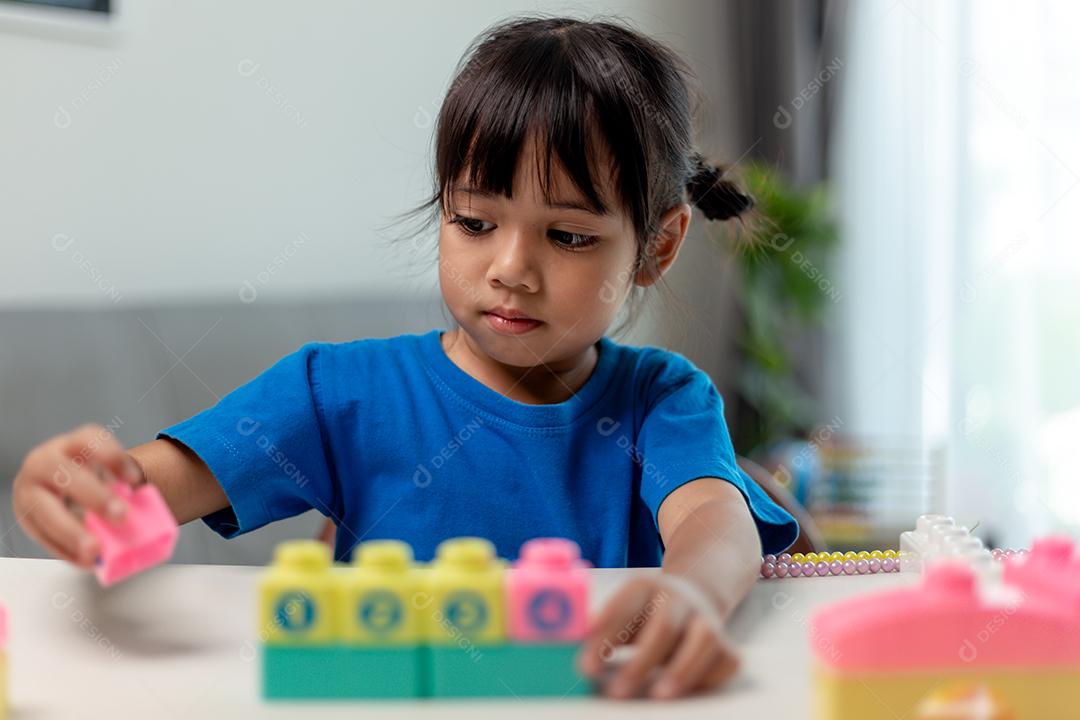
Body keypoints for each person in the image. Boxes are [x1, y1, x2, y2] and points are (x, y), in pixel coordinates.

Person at [12, 15, 797, 700]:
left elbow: (713, 520)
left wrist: (691, 594)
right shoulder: (337, 391)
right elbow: (147, 494)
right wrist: (82, 489)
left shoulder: (661, 399)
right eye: (474, 222)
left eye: (568, 236)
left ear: (656, 247)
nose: (511, 270)